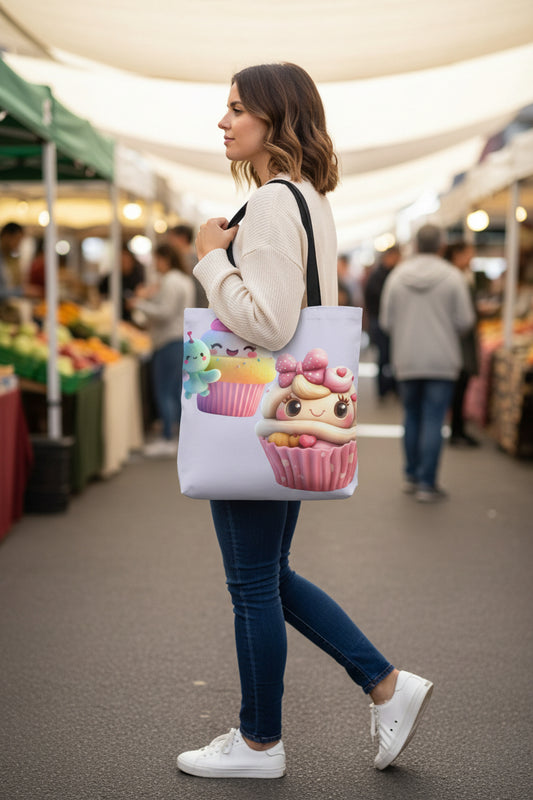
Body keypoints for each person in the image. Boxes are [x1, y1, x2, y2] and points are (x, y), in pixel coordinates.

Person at [176, 62, 434, 780]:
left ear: (272, 117)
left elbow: (266, 321)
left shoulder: (268, 205)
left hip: (253, 409)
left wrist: (209, 261)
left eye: (235, 108)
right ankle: (385, 685)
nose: (222, 121)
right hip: (291, 412)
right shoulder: (308, 198)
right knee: (267, 574)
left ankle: (261, 743)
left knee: (252, 584)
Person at [380, 225, 475, 503]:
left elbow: (386, 322)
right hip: (442, 359)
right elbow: (466, 320)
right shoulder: (453, 277)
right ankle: (426, 482)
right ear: (441, 245)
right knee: (434, 419)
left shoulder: (397, 277)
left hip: (407, 358)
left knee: (411, 416)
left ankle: (411, 475)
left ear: (417, 244)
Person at [129, 243, 194, 457]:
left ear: (165, 258)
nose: (155, 264)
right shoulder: (183, 280)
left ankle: (168, 437)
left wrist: (139, 304)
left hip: (167, 341)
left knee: (164, 391)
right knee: (175, 391)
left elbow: (165, 312)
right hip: (181, 339)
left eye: (157, 259)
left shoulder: (170, 281)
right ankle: (176, 435)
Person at [444, 241, 480, 446]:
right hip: (458, 342)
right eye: (469, 254)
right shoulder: (455, 278)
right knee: (458, 386)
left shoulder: (455, 276)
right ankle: (457, 429)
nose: (471, 259)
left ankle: (458, 428)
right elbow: (464, 318)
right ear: (457, 254)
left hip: (453, 341)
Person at [364, 245, 401, 399]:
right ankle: (383, 389)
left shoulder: (391, 274)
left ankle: (389, 387)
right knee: (384, 356)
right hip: (378, 321)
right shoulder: (379, 276)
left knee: (389, 356)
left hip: (383, 320)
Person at [99, 243, 145, 323]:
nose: (124, 263)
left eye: (126, 260)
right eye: (121, 261)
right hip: (113, 316)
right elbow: (101, 293)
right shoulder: (111, 277)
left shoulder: (138, 276)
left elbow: (142, 293)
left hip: (134, 317)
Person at [167, 224, 208, 308]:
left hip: (194, 308)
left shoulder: (193, 259)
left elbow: (198, 290)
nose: (169, 242)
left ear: (182, 238)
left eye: (172, 238)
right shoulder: (192, 257)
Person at [0, 222, 25, 300]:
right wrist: (21, 292)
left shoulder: (10, 258)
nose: (18, 244)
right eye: (17, 239)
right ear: (6, 236)